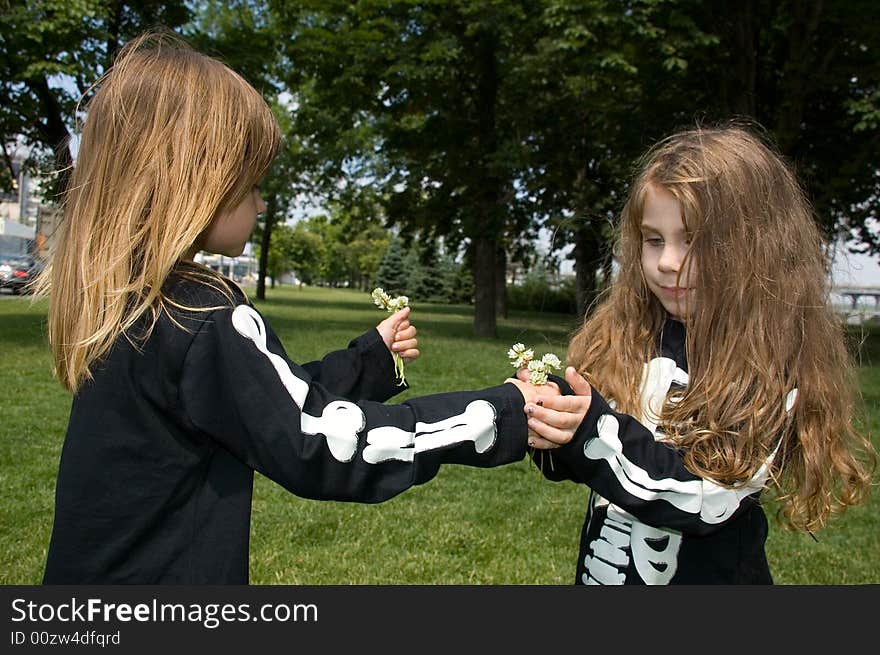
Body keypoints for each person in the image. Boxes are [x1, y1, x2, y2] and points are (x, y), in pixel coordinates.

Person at [36, 30, 563, 584]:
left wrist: (371, 360)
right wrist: (502, 412)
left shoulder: (129, 302)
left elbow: (257, 401)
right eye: (252, 184)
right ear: (196, 184)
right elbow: (322, 446)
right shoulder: (201, 313)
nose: (261, 203)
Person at [520, 125, 877, 585]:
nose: (669, 261)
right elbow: (589, 460)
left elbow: (705, 501)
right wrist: (550, 424)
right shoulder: (627, 337)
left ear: (758, 249)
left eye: (695, 240)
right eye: (654, 240)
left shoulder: (772, 368)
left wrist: (592, 431)